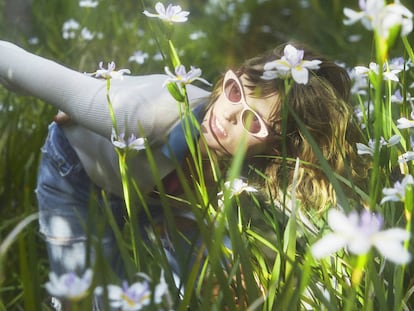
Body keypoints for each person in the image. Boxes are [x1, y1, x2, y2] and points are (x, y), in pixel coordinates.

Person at [0, 40, 366, 303]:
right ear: (228, 79)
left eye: (253, 122)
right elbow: (21, 65)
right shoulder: (139, 115)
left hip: (166, 192)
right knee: (79, 293)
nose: (227, 115)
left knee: (218, 281)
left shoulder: (260, 168)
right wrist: (86, 96)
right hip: (79, 174)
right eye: (236, 91)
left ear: (278, 147)